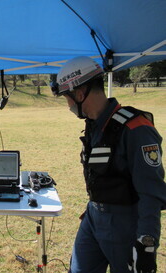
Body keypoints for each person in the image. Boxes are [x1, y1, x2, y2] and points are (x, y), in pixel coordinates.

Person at [51, 56, 166, 273]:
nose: (67, 106)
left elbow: (151, 193)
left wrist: (146, 245)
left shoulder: (135, 128)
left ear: (79, 93)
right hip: (94, 218)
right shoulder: (94, 125)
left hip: (125, 224)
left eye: (66, 97)